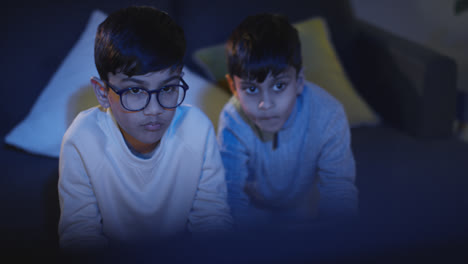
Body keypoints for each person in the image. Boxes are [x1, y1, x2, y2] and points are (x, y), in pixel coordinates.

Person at [58, 6, 233, 250]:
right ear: (102, 92)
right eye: (135, 91)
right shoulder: (82, 139)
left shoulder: (197, 129)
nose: (154, 109)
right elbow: (80, 235)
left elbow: (211, 221)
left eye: (168, 88)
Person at [217, 13, 358, 232]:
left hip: (307, 209)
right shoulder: (232, 120)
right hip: (252, 213)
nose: (266, 104)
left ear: (299, 81)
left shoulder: (329, 114)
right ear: (234, 88)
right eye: (252, 89)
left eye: (279, 86)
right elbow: (230, 194)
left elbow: (339, 189)